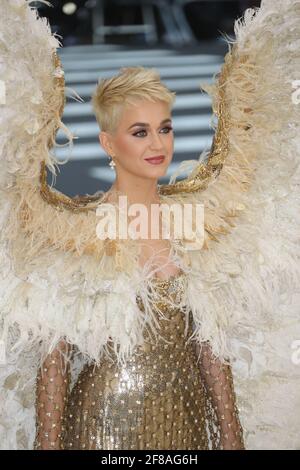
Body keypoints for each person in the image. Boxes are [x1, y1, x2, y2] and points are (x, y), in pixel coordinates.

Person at [0, 0, 299, 451]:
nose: (158, 144)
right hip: (101, 426)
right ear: (108, 142)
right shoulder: (72, 231)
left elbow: (210, 347)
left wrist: (232, 437)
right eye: (140, 132)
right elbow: (55, 362)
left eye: (165, 127)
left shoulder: (200, 224)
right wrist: (48, 444)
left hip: (189, 423)